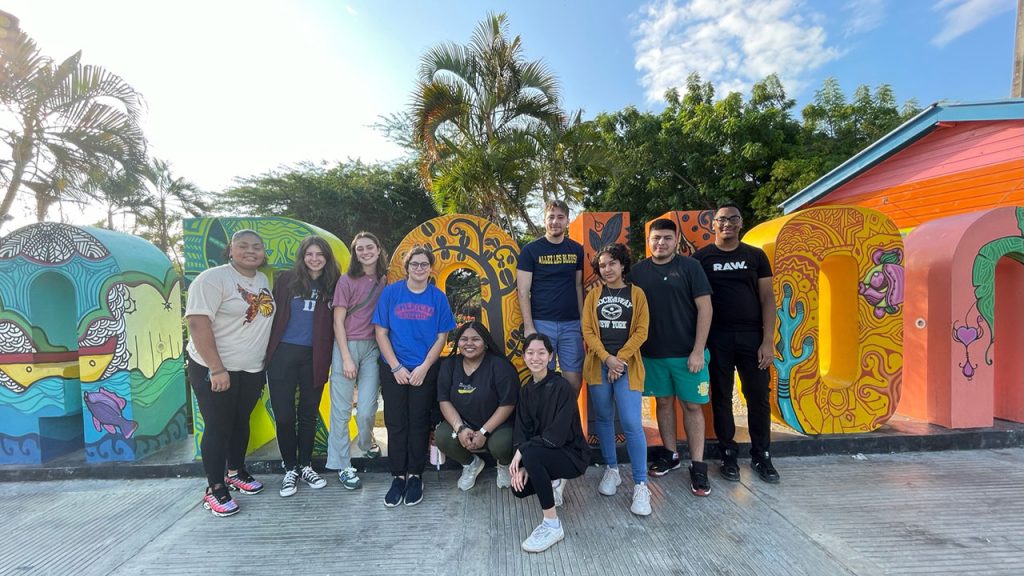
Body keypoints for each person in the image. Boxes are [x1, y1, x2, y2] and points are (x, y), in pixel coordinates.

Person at [185, 229, 275, 517]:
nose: (251, 251)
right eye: (243, 246)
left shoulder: (261, 279)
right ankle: (215, 487)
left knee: (240, 421)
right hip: (215, 368)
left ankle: (236, 471)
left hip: (249, 368)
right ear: (230, 250)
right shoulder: (213, 279)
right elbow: (198, 323)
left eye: (257, 247)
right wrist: (216, 368)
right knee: (218, 426)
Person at [694, 203, 779, 484]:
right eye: (722, 219)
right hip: (716, 337)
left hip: (752, 336)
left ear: (740, 223)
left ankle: (761, 455)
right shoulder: (702, 258)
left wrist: (768, 341)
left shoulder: (755, 256)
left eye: (733, 219)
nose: (727, 224)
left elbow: (768, 298)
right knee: (720, 397)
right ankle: (727, 454)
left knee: (758, 396)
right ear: (713, 225)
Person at [629, 218, 714, 497]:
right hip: (652, 355)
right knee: (663, 403)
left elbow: (705, 309)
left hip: (688, 355)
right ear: (649, 241)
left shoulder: (691, 267)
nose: (661, 243)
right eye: (656, 238)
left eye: (666, 238)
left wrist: (698, 350)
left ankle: (698, 466)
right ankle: (670, 454)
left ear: (676, 240)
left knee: (692, 407)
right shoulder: (638, 272)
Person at [374, 246, 456, 507]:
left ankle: (415, 476)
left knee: (419, 422)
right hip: (393, 368)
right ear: (407, 267)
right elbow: (381, 332)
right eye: (414, 264)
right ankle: (398, 475)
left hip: (424, 368)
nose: (419, 268)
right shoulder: (391, 293)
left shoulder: (437, 298)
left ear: (430, 268)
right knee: (396, 422)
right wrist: (396, 367)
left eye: (424, 264)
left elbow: (442, 337)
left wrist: (424, 367)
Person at [265, 236, 339, 497]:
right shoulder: (286, 280)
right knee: (284, 415)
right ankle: (290, 468)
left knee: (308, 414)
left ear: (327, 258)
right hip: (282, 354)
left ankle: (306, 465)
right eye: (310, 254)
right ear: (302, 256)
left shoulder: (333, 284)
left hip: (315, 356)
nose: (315, 258)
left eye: (320, 254)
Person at [581, 243, 652, 516]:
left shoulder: (638, 294)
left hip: (627, 366)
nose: (607, 269)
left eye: (612, 263)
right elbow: (588, 331)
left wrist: (619, 359)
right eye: (602, 265)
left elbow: (642, 331)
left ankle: (641, 484)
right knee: (603, 418)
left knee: (632, 423)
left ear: (623, 265)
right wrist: (607, 358)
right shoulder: (593, 296)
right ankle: (612, 469)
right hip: (599, 365)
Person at [510, 333, 589, 553]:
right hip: (543, 450)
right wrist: (523, 463)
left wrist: (525, 454)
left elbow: (557, 435)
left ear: (550, 356)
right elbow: (522, 430)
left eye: (541, 353)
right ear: (524, 357)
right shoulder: (526, 390)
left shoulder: (562, 386)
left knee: (532, 455)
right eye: (530, 353)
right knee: (519, 488)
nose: (536, 358)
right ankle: (553, 481)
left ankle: (552, 524)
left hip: (571, 455)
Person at [328, 232, 388, 490]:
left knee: (366, 409)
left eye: (369, 247)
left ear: (378, 249)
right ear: (355, 253)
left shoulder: (385, 279)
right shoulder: (346, 280)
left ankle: (367, 443)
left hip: (374, 347)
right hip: (347, 346)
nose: (365, 252)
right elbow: (337, 321)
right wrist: (345, 357)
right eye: (360, 249)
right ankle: (342, 465)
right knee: (341, 412)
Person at [435, 321, 519, 491]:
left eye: (476, 339)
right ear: (457, 342)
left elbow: (508, 404)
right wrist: (460, 429)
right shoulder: (449, 365)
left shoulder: (499, 366)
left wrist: (483, 431)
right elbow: (444, 400)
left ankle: (504, 465)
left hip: (496, 427)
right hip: (464, 425)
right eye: (464, 339)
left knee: (502, 445)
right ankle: (471, 463)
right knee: (443, 436)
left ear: (486, 343)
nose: (469, 343)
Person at [516, 199, 585, 394]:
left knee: (573, 382)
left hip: (571, 325)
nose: (555, 221)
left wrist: (582, 320)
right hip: (541, 323)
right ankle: (546, 422)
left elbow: (578, 285)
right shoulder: (531, 250)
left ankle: (567, 421)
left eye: (560, 217)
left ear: (567, 221)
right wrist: (529, 326)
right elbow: (523, 291)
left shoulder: (576, 249)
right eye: (551, 217)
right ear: (544, 220)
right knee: (543, 381)